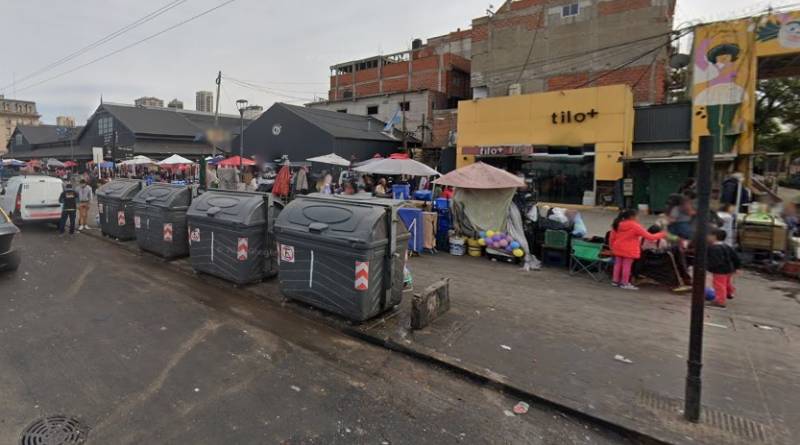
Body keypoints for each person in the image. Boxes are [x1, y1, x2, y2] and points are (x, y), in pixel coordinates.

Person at [609, 209, 667, 290]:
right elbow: (650, 237)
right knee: (627, 266)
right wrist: (663, 234)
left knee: (618, 264)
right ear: (632, 217)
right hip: (629, 249)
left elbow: (612, 237)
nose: (638, 217)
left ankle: (615, 281)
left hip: (617, 247)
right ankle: (624, 283)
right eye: (637, 216)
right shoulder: (635, 226)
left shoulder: (618, 224)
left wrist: (611, 246)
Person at [707, 229, 741, 308]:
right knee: (727, 282)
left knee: (719, 285)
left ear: (714, 237)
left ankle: (720, 301)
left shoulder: (713, 248)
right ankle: (729, 292)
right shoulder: (727, 246)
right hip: (729, 268)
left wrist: (708, 267)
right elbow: (735, 257)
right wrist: (737, 267)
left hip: (719, 270)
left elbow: (715, 261)